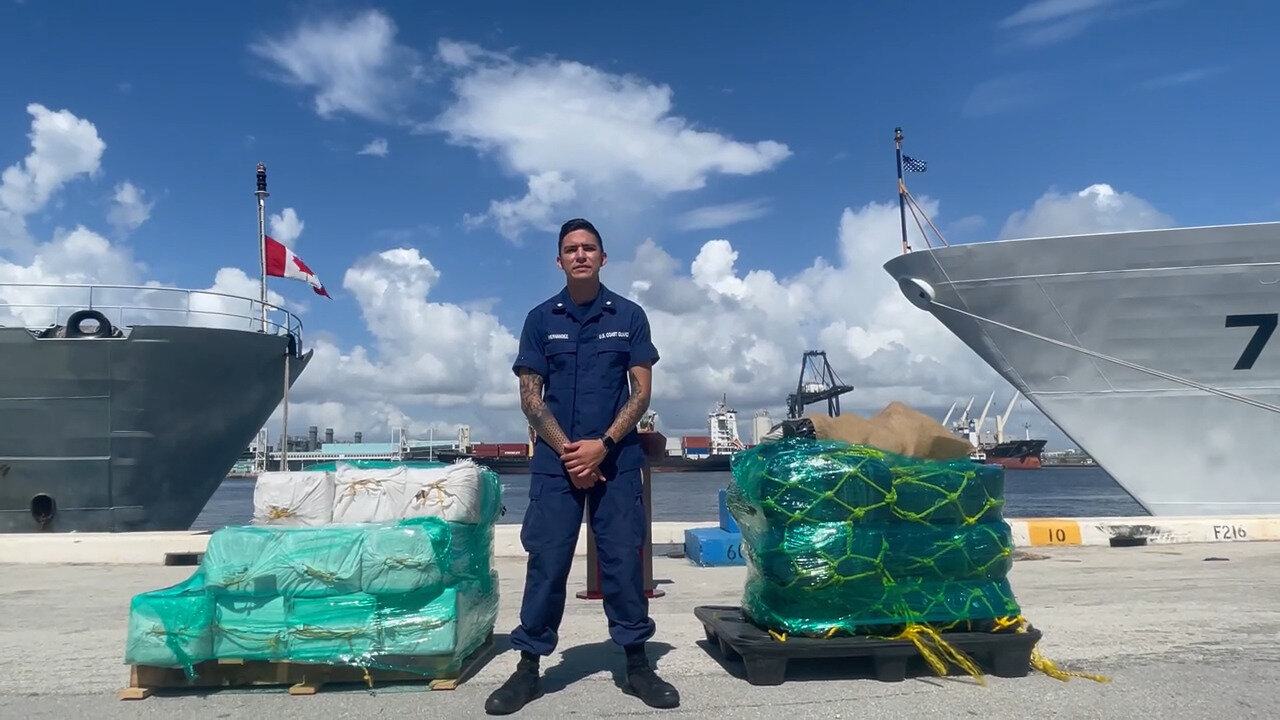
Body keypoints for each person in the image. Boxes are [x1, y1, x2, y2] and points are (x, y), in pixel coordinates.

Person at [485, 218, 680, 715]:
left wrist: (604, 445)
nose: (580, 255)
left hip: (617, 460)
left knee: (622, 562)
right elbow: (531, 399)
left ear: (602, 257)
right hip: (556, 465)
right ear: (559, 260)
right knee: (546, 564)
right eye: (570, 249)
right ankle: (528, 668)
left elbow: (642, 392)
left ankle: (637, 664)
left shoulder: (630, 316)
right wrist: (573, 452)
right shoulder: (539, 319)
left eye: (588, 248)